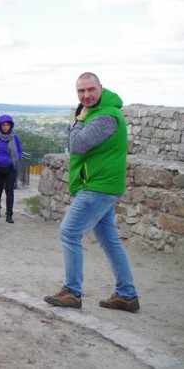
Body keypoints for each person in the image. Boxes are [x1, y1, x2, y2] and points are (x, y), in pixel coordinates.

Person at [44, 72, 139, 312]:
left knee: (69, 232)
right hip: (103, 185)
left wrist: (78, 120)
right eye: (81, 91)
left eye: (90, 90)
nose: (86, 95)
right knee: (110, 241)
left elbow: (76, 144)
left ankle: (73, 292)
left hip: (98, 186)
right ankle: (127, 295)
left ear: (101, 88)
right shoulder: (101, 112)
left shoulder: (105, 116)